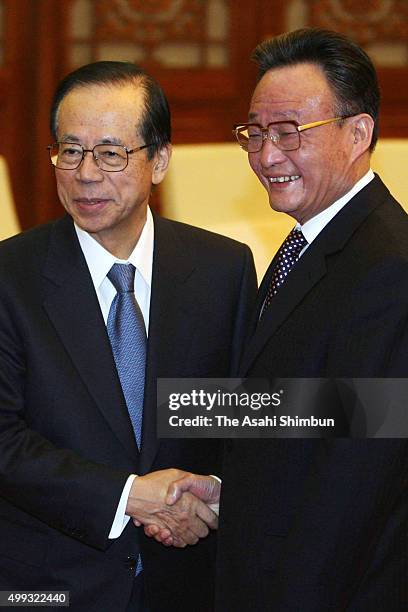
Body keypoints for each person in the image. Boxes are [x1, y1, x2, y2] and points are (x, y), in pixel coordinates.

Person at [154, 28, 408, 611]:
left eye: (291, 133)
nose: (267, 157)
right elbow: (306, 412)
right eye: (256, 134)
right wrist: (222, 490)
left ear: (358, 133)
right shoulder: (312, 243)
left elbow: (354, 482)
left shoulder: (387, 268)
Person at [0, 61, 257, 611]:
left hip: (188, 581)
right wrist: (128, 496)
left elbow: (237, 417)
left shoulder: (222, 269)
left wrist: (209, 494)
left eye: (111, 152)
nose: (86, 173)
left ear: (159, 160)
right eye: (70, 151)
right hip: (47, 586)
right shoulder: (10, 277)